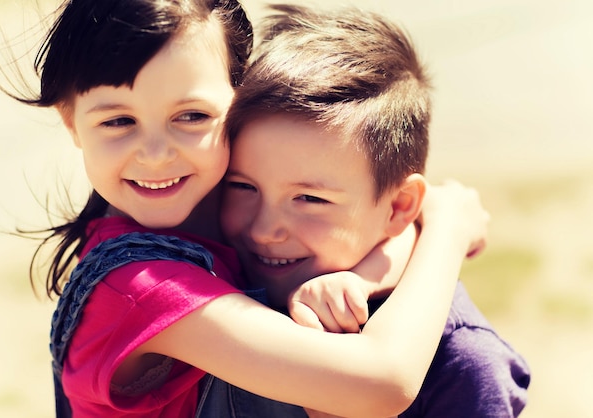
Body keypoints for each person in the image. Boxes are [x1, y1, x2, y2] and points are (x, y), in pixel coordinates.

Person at [0, 0, 489, 417]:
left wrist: (362, 276)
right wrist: (446, 228)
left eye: (191, 116)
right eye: (118, 121)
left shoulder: (225, 207)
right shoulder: (139, 288)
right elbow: (384, 382)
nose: (156, 153)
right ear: (70, 122)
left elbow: (383, 217)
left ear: (240, 101)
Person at [196, 4, 530, 418]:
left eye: (310, 199)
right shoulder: (215, 272)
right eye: (242, 186)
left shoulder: (461, 359)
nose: (264, 230)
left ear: (401, 207)